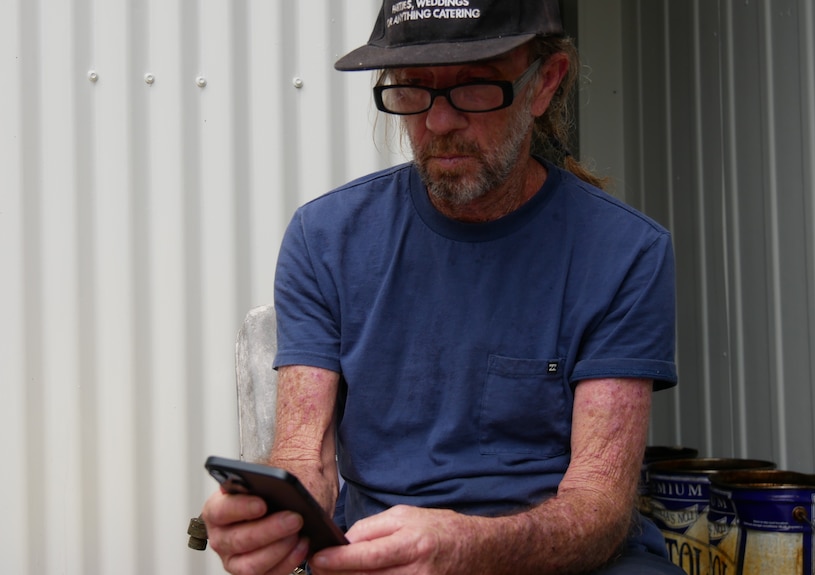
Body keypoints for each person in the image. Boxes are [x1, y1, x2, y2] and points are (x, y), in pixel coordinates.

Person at [202, 1, 683, 573]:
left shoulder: (624, 253)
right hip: (381, 555)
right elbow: (306, 455)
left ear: (544, 85)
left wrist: (468, 548)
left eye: (475, 87)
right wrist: (272, 517)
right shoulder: (326, 239)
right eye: (411, 90)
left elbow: (598, 508)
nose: (437, 122)